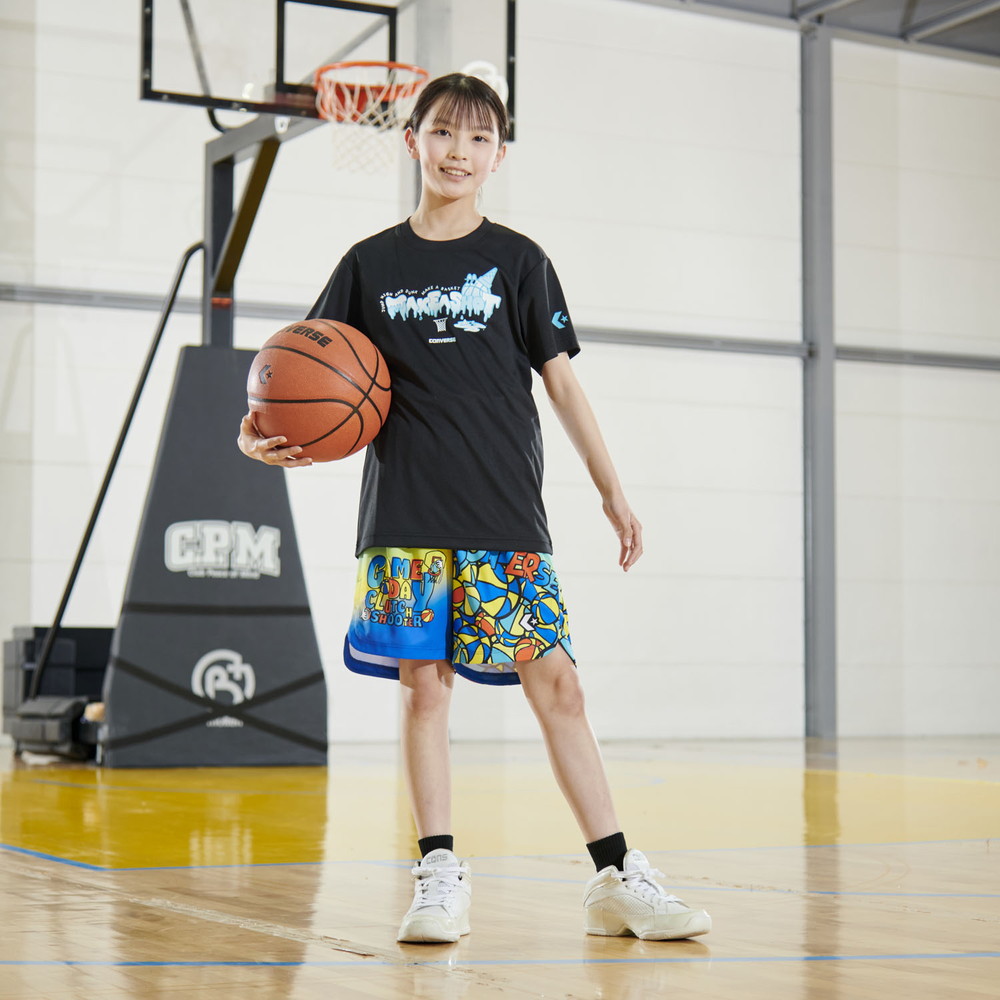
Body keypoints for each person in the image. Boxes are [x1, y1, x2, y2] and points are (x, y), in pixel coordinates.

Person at [238, 72, 711, 945]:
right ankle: (438, 876)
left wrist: (611, 489)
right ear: (412, 140)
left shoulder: (521, 260)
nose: (460, 151)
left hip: (503, 510)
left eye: (479, 137)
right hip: (404, 514)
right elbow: (300, 370)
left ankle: (616, 875)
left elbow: (561, 384)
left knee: (558, 684)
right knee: (425, 690)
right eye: (444, 133)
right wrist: (255, 432)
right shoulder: (368, 263)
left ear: (499, 155)